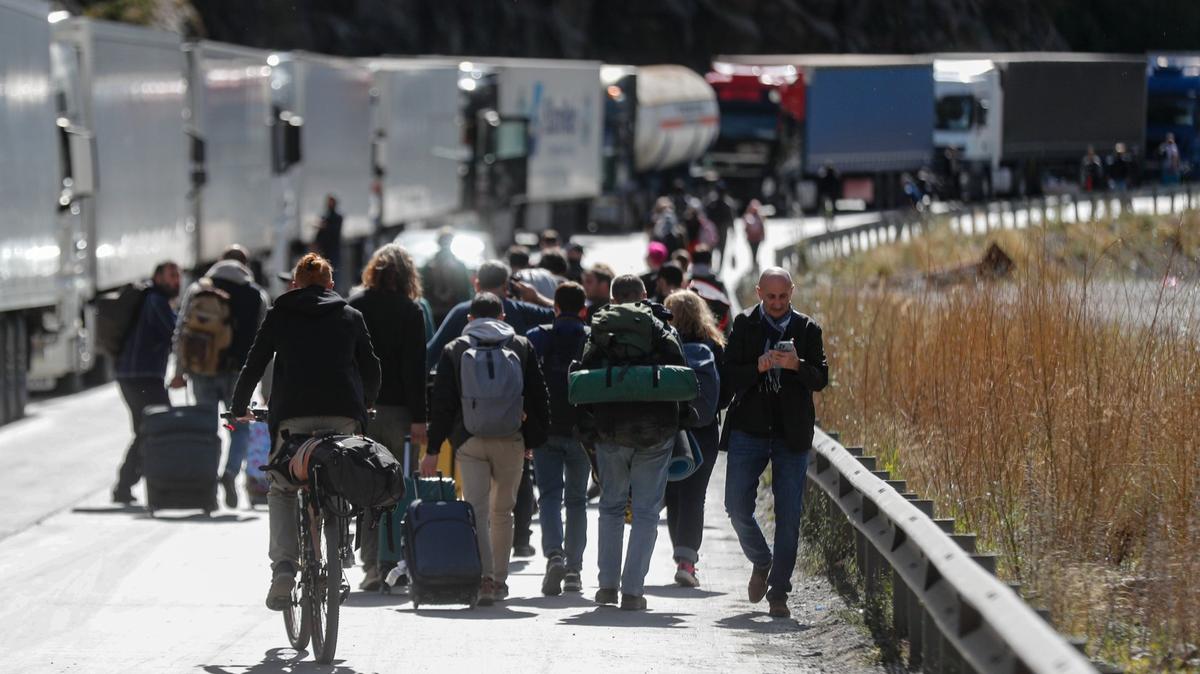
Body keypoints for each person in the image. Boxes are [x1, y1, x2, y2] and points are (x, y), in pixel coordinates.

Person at [230, 253, 381, 611]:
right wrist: (367, 403)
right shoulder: (350, 316)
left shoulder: (280, 314)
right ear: (331, 284)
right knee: (340, 472)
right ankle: (340, 544)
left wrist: (239, 406)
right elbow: (371, 369)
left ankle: (284, 566)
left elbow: (255, 362)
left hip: (292, 419)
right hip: (343, 417)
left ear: (295, 284)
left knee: (282, 487)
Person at [422, 292, 549, 605]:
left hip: (469, 440)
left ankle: (483, 579)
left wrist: (434, 448)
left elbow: (442, 404)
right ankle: (500, 580)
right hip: (511, 439)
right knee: (502, 511)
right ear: (502, 316)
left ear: (469, 319)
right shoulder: (521, 346)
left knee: (476, 509)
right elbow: (538, 396)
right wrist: (531, 441)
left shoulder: (456, 349)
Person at [575, 275, 687, 611]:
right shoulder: (660, 327)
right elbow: (680, 371)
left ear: (612, 298)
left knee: (610, 506)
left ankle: (606, 587)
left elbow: (585, 375)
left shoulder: (599, 330)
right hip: (655, 431)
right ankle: (633, 590)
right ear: (642, 295)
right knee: (646, 511)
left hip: (610, 429)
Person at [721, 267, 828, 619]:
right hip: (749, 429)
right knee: (736, 506)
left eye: (784, 296)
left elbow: (821, 379)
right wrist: (759, 366)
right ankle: (761, 559)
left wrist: (797, 365)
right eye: (771, 297)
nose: (778, 303)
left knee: (788, 516)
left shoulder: (808, 328)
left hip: (791, 432)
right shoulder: (744, 324)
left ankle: (779, 592)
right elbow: (729, 375)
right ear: (759, 293)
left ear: (792, 292)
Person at [348, 244, 429, 591]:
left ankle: (370, 568)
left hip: (364, 411)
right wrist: (420, 418)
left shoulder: (356, 308)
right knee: (398, 489)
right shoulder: (411, 312)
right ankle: (394, 562)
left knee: (368, 490)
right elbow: (416, 370)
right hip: (400, 414)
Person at [169, 245, 269, 508]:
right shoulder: (255, 295)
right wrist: (264, 383)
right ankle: (230, 472)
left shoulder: (199, 290)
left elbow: (182, 331)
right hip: (239, 374)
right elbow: (265, 341)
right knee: (240, 428)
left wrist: (179, 372)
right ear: (246, 265)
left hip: (202, 370)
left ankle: (207, 489)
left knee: (206, 429)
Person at [525, 282, 591, 596]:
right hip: (582, 432)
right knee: (577, 500)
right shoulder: (593, 337)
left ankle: (555, 555)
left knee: (550, 495)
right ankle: (575, 570)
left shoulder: (537, 337)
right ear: (583, 310)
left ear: (555, 307)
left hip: (545, 429)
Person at [662, 290, 725, 587]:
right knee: (694, 494)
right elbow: (725, 394)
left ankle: (680, 557)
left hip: (668, 428)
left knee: (673, 492)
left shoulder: (662, 345)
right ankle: (687, 562)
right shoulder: (715, 345)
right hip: (704, 430)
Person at [112, 261, 182, 505]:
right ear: (159, 277)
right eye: (172, 276)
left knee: (147, 430)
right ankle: (130, 485)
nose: (177, 281)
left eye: (178, 276)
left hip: (135, 375)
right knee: (156, 428)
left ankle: (126, 486)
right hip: (141, 376)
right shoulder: (155, 301)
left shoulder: (154, 299)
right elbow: (174, 332)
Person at [425, 260, 554, 371]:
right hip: (513, 393)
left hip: (468, 394)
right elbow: (561, 314)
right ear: (506, 286)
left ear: (477, 285)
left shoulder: (460, 311)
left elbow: (431, 353)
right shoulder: (520, 309)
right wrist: (537, 297)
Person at [420, 228, 472, 327]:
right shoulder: (430, 265)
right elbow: (466, 293)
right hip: (445, 312)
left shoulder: (429, 265)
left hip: (445, 311)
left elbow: (466, 292)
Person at [687, 245, 733, 334]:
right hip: (716, 331)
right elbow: (728, 312)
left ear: (692, 261)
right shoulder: (719, 283)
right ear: (710, 262)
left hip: (692, 332)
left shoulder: (687, 282)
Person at [314, 195, 344, 288]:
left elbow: (335, 230)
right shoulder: (324, 216)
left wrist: (325, 226)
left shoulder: (338, 217)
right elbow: (319, 234)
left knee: (333, 272)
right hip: (324, 249)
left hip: (333, 249)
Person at [704, 182, 736, 268]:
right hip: (715, 230)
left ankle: (718, 267)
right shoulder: (713, 202)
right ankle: (713, 267)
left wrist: (732, 229)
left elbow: (730, 218)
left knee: (720, 249)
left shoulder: (726, 204)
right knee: (714, 249)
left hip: (721, 229)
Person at [743, 200, 765, 269]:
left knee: (753, 252)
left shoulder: (747, 216)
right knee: (755, 252)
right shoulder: (759, 217)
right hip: (756, 238)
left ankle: (754, 263)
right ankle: (755, 263)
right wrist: (763, 236)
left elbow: (745, 229)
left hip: (751, 238)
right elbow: (762, 227)